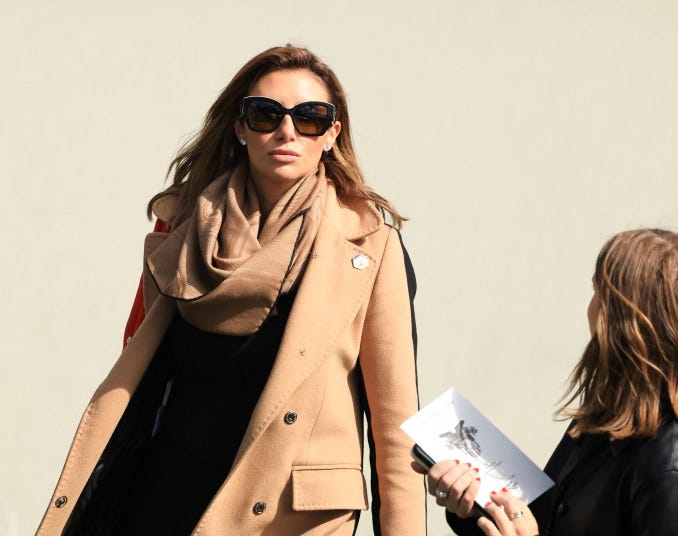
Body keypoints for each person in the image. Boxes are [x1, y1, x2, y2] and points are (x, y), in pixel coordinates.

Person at [37, 45, 425, 536]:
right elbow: (143, 367)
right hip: (166, 501)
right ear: (241, 127)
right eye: (265, 114)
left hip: (286, 518)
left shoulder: (368, 247)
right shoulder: (185, 227)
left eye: (309, 117)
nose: (287, 131)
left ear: (332, 134)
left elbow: (395, 429)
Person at [415, 229, 678, 535]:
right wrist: (475, 506)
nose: (590, 309)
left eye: (598, 293)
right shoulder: (607, 421)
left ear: (629, 325)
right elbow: (544, 523)